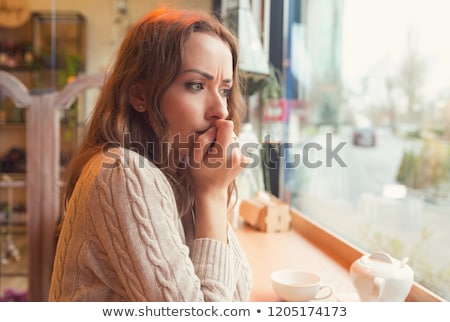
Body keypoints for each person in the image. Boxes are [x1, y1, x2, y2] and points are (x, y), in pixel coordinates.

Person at [48, 7, 253, 301]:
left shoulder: (182, 171)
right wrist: (213, 195)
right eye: (196, 85)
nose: (220, 110)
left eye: (224, 90)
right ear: (140, 95)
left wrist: (207, 190)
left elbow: (236, 293)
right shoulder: (122, 172)